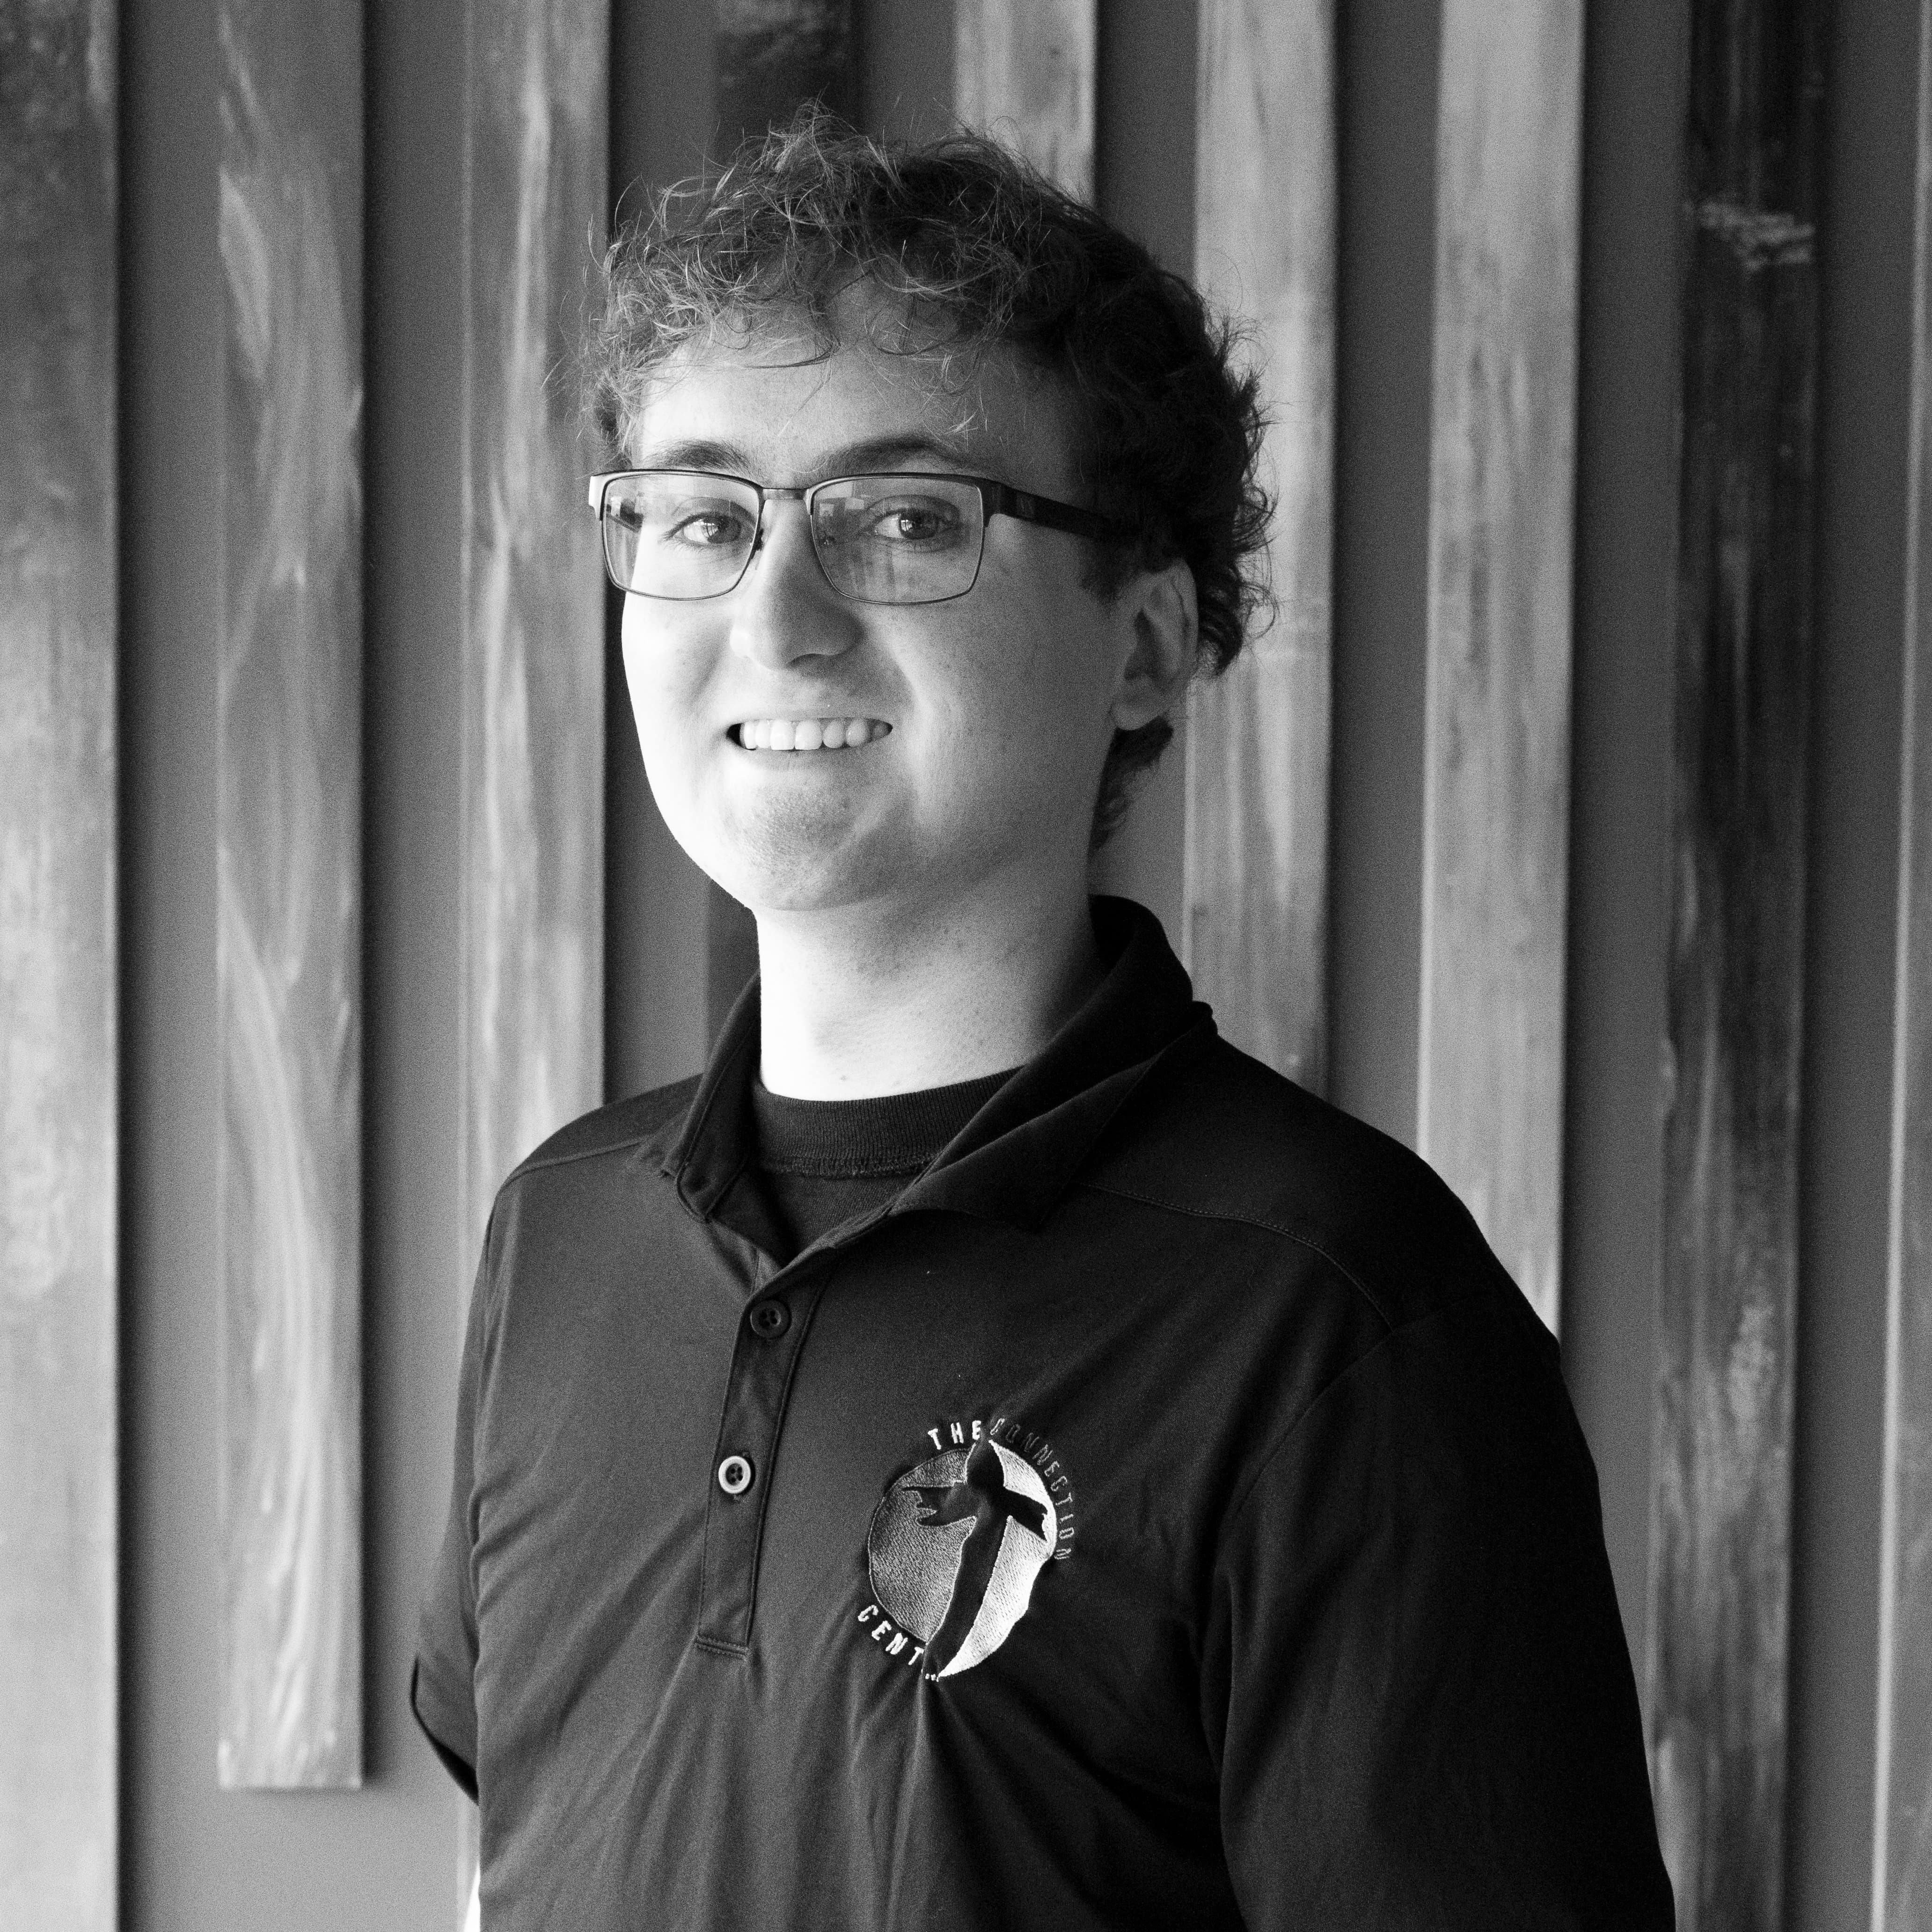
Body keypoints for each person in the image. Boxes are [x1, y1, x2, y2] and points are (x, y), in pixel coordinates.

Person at [413, 112, 1674, 1930]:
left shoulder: (1333, 1320)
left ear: (1150, 641)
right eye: (701, 517)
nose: (775, 619)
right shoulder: (558, 1231)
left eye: (904, 518)